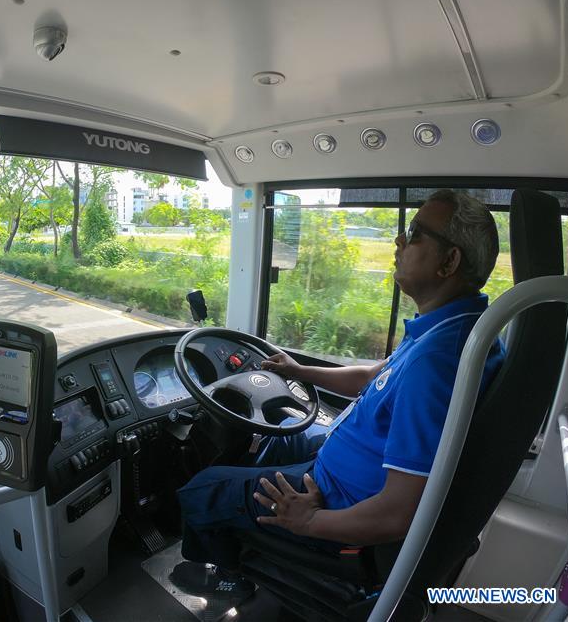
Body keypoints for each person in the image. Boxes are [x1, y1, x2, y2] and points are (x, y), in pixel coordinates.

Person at [171, 189, 506, 597]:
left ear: (449, 261)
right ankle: (248, 524)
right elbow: (371, 377)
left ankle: (225, 579)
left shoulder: (437, 361)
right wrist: (297, 370)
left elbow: (398, 513)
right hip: (345, 466)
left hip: (338, 503)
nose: (399, 242)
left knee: (201, 489)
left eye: (415, 233)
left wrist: (309, 522)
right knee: (286, 431)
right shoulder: (454, 327)